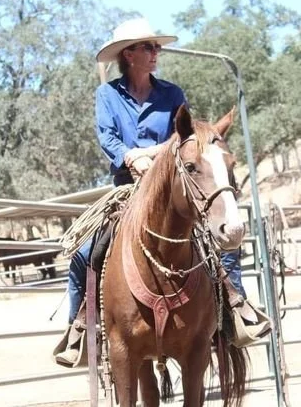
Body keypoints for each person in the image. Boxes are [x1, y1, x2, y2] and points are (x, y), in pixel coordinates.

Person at [54, 18, 271, 366]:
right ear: (129, 54)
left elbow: (183, 139)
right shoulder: (107, 95)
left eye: (156, 47)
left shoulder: (173, 94)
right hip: (127, 187)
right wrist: (129, 156)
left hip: (171, 185)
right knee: (84, 252)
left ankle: (235, 309)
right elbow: (107, 136)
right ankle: (81, 326)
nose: (156, 52)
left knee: (219, 238)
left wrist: (149, 157)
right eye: (148, 47)